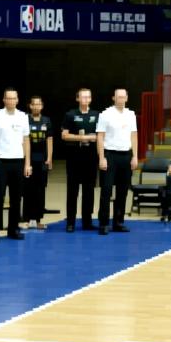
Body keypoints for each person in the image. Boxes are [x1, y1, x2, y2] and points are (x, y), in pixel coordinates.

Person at [0, 88, 31, 242]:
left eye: (14, 98)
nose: (11, 101)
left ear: (17, 100)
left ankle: (13, 228)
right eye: (8, 98)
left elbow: (26, 140)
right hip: (0, 161)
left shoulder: (23, 117)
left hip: (18, 161)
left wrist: (27, 163)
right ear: (4, 100)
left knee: (16, 198)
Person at [95, 88, 137, 235]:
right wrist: (102, 158)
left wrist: (135, 156)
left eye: (123, 97)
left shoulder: (131, 114)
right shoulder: (105, 114)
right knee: (106, 190)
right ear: (113, 98)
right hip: (110, 154)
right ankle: (103, 223)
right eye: (119, 97)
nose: (121, 99)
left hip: (126, 155)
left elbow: (134, 136)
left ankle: (118, 222)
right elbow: (100, 137)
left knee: (123, 191)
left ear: (127, 98)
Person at [61, 88, 100, 232]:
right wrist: (82, 137)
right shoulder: (70, 115)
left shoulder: (97, 115)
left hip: (91, 158)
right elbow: (64, 135)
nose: (85, 99)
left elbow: (101, 135)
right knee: (72, 191)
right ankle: (70, 222)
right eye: (83, 97)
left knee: (89, 191)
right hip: (74, 158)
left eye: (88, 97)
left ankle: (87, 222)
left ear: (91, 99)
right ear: (77, 98)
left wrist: (94, 138)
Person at [24, 95, 54, 230]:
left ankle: (37, 219)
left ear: (42, 106)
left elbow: (49, 140)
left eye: (38, 104)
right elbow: (23, 140)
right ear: (30, 106)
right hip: (29, 160)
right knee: (28, 190)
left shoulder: (46, 121)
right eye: (34, 104)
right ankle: (27, 219)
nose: (36, 106)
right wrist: (26, 160)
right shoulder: (25, 120)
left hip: (42, 160)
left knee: (40, 190)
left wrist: (49, 158)